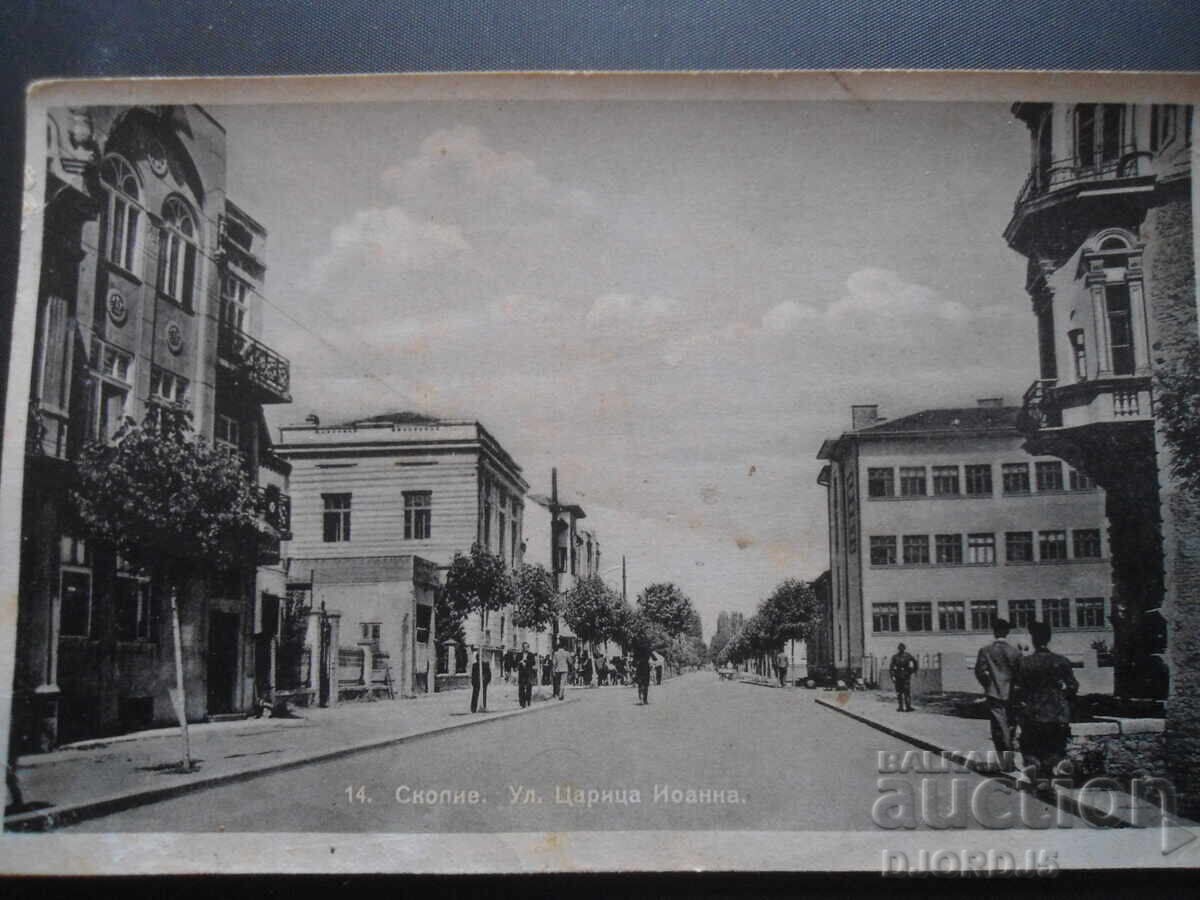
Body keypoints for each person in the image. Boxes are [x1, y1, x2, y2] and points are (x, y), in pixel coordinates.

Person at [1011, 621, 1078, 790]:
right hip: (1056, 714)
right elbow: (1073, 686)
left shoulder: (1025, 663)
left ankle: (1039, 781)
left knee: (1032, 750)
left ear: (1033, 640)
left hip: (1032, 714)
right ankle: (1047, 780)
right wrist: (1061, 698)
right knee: (1054, 750)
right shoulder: (1061, 661)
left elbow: (1017, 690)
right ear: (1049, 639)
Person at [975, 618, 1023, 761]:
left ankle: (1005, 760)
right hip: (1012, 693)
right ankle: (1010, 756)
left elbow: (979, 671)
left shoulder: (986, 650)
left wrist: (988, 685)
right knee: (1010, 725)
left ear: (994, 631)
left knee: (998, 726)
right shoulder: (1015, 652)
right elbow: (1020, 673)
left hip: (994, 692)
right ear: (1007, 632)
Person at [889, 642, 918, 712]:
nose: (901, 649)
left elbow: (915, 662)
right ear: (898, 649)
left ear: (904, 648)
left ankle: (908, 707)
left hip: (906, 676)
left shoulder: (908, 656)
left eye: (902, 648)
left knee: (907, 692)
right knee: (899, 692)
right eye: (900, 648)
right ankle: (900, 707)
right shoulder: (895, 657)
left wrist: (913, 670)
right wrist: (892, 676)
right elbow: (891, 667)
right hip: (898, 676)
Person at [469, 645, 492, 713]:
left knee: (484, 695)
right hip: (476, 682)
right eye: (477, 658)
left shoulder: (485, 664)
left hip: (483, 682)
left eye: (480, 657)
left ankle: (483, 707)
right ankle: (473, 708)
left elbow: (489, 674)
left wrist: (486, 681)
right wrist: (473, 682)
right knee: (475, 695)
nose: (478, 659)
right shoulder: (474, 665)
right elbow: (473, 675)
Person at [517, 641, 537, 708]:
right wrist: (520, 662)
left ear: (528, 647)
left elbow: (533, 662)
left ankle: (528, 700)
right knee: (521, 687)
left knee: (529, 687)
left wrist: (526, 662)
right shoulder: (519, 654)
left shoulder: (531, 654)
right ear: (522, 647)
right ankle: (522, 702)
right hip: (521, 673)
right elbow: (516, 662)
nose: (526, 648)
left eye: (527, 647)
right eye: (524, 647)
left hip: (529, 673)